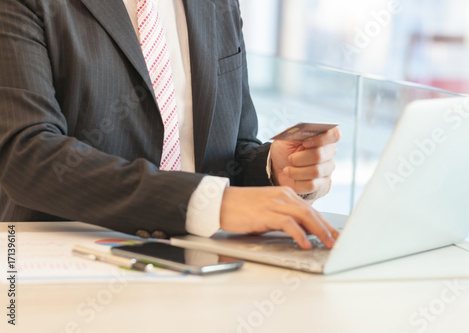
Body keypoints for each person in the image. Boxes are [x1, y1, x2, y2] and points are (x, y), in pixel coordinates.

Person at [0, 0, 341, 249]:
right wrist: (208, 203)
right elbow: (26, 155)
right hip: (71, 262)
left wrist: (274, 170)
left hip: (209, 260)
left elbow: (230, 151)